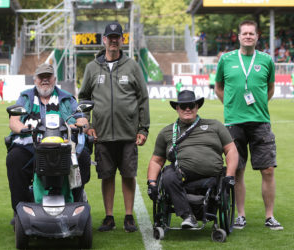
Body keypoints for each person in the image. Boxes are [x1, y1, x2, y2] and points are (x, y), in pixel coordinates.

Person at [78, 21, 150, 233]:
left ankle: (128, 216)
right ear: (104, 40)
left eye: (117, 37)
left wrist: (143, 128)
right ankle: (109, 217)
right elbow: (83, 98)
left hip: (128, 133)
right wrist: (87, 124)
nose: (114, 40)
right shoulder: (92, 68)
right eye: (110, 37)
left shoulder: (132, 65)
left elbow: (143, 98)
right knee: (106, 175)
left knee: (128, 175)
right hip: (102, 134)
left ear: (122, 40)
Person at [215, 20, 283, 230]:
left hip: (260, 122)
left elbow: (270, 88)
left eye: (251, 34)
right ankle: (240, 215)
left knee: (268, 170)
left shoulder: (266, 60)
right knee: (237, 171)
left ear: (257, 36)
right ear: (238, 36)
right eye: (244, 33)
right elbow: (218, 87)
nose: (248, 36)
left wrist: (259, 106)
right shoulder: (226, 60)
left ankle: (269, 216)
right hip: (234, 123)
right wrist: (231, 107)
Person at [6, 63, 90, 222]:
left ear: (54, 79)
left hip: (64, 146)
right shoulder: (26, 97)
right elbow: (14, 121)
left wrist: (79, 126)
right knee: (14, 159)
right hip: (32, 145)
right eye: (41, 77)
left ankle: (78, 202)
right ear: (35, 79)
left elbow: (82, 119)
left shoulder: (66, 97)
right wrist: (24, 129)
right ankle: (20, 209)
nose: (45, 80)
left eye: (48, 77)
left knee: (84, 158)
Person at [147, 90, 238, 228]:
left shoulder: (215, 126)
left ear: (197, 107)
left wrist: (230, 175)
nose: (187, 109)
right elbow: (156, 161)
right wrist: (152, 183)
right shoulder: (167, 132)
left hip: (211, 177)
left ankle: (193, 213)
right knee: (167, 176)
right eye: (183, 106)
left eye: (191, 105)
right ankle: (188, 216)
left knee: (173, 178)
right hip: (180, 177)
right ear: (177, 108)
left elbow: (231, 150)